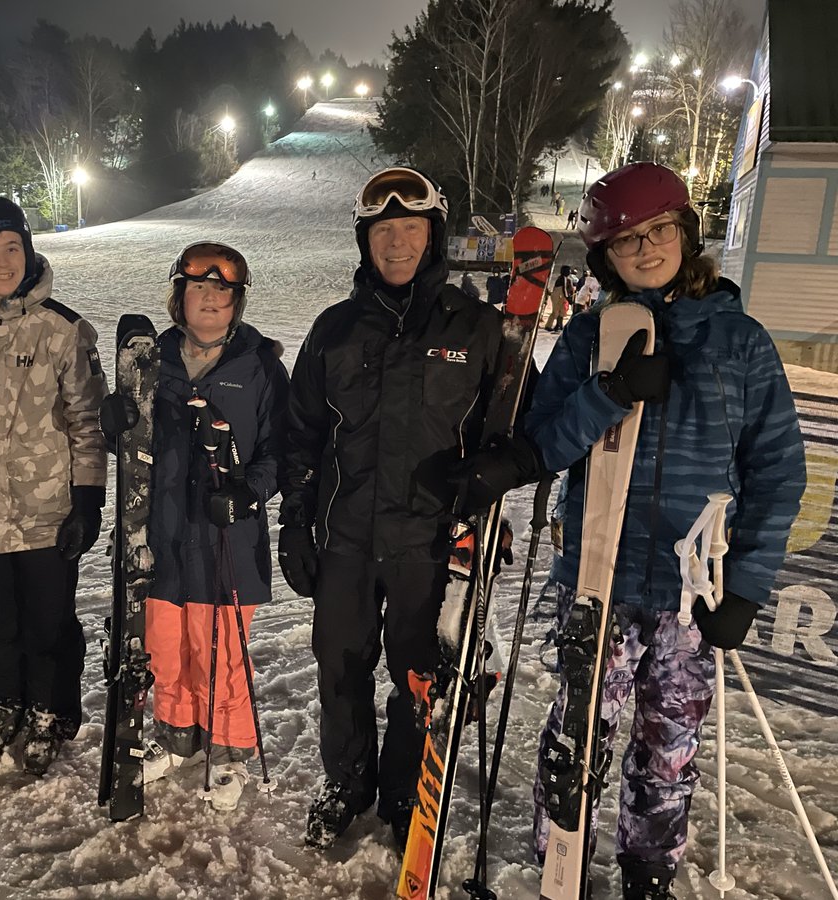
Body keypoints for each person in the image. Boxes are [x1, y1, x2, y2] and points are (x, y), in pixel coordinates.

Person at [526, 162, 806, 900]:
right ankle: (560, 861)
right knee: (577, 736)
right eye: (625, 243)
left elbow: (777, 472)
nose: (645, 251)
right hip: (599, 581)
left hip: (690, 593)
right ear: (606, 259)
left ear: (686, 232)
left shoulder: (741, 342)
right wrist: (607, 393)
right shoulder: (590, 337)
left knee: (669, 747)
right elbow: (544, 446)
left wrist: (743, 586)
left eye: (657, 232)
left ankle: (646, 873)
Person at [278, 166, 542, 850]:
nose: (396, 244)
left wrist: (500, 466)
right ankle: (347, 783)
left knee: (418, 676)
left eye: (411, 229)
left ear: (434, 237)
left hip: (434, 541)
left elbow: (535, 427)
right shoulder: (334, 330)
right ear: (365, 241)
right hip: (344, 537)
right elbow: (300, 431)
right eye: (383, 231)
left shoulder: (481, 329)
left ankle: (403, 792)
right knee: (340, 669)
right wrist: (294, 521)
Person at [101, 241, 289, 811]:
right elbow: (135, 451)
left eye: (222, 291)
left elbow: (284, 450)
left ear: (237, 303)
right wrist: (116, 425)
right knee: (164, 643)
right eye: (197, 289)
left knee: (221, 651)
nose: (209, 299)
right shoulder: (151, 362)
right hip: (160, 534)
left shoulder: (259, 368)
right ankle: (177, 734)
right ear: (178, 297)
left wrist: (248, 491)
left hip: (227, 537)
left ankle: (228, 748)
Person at [0, 197, 107, 776]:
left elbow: (88, 421)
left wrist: (87, 500)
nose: (2, 261)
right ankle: (6, 701)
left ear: (27, 250)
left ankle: (52, 710)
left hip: (46, 509)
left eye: (12, 247)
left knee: (48, 622)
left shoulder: (62, 329)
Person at [543, 264, 574, 331]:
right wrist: (568, 298)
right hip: (558, 295)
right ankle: (548, 326)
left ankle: (558, 326)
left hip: (557, 295)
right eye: (568, 271)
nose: (569, 272)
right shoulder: (564, 278)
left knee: (561, 311)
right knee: (555, 312)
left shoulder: (560, 277)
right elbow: (564, 289)